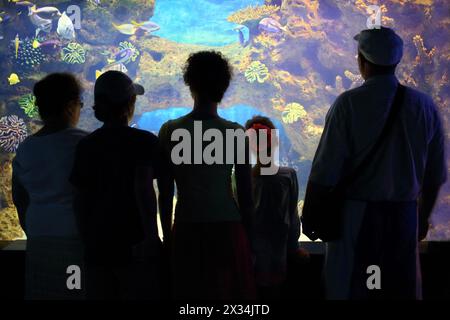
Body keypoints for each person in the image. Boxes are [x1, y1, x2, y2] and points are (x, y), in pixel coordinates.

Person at [304, 27, 447, 299]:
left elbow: (324, 169)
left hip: (356, 218)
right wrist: (422, 217)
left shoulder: (348, 104)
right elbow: (434, 174)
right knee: (397, 288)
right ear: (397, 61)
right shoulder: (424, 105)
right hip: (404, 216)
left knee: (355, 286)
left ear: (362, 61)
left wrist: (310, 214)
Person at [158, 51, 256, 299]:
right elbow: (245, 194)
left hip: (187, 225)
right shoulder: (235, 132)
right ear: (223, 87)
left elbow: (166, 191)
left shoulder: (171, 130)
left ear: (190, 84)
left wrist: (168, 237)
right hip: (228, 228)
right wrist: (250, 238)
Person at [70, 71, 162, 299]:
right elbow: (144, 190)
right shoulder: (145, 141)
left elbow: (79, 199)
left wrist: (86, 241)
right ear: (130, 103)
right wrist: (152, 237)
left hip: (98, 245)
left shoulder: (86, 145)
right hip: (135, 243)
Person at [12, 73, 87, 300]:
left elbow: (19, 197)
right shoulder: (84, 143)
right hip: (75, 239)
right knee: (74, 291)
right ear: (70, 106)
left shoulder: (25, 148)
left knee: (43, 291)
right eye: (80, 104)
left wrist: (31, 228)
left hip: (39, 235)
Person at [244, 116, 307, 299]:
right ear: (276, 142)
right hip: (279, 247)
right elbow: (293, 215)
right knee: (275, 291)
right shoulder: (288, 175)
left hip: (251, 249)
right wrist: (294, 247)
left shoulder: (242, 177)